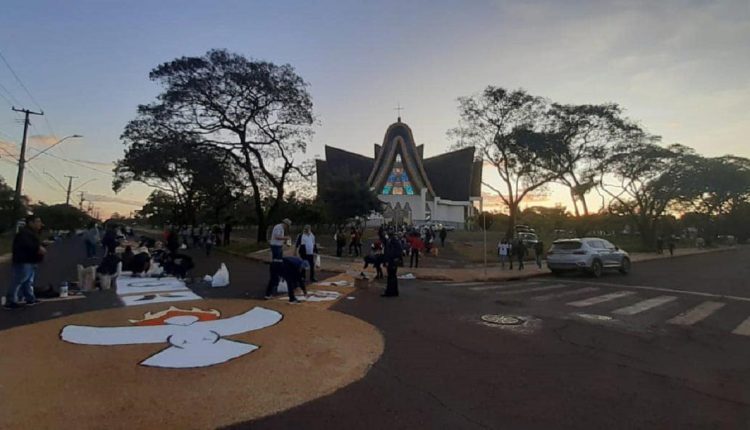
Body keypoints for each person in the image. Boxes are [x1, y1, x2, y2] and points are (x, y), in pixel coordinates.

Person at [4, 215, 46, 309]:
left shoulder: (31, 233)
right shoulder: (24, 233)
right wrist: (38, 248)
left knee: (27, 282)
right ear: (31, 223)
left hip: (30, 261)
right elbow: (27, 245)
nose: (40, 224)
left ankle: (30, 298)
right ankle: (10, 301)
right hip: (24, 261)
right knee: (18, 281)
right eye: (37, 222)